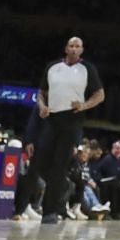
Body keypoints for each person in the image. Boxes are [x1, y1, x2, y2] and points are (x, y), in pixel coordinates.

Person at [29, 37, 105, 223]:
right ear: (65, 48)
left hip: (72, 119)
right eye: (71, 45)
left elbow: (100, 94)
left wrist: (84, 105)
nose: (73, 49)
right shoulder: (53, 66)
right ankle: (32, 205)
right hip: (51, 117)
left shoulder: (88, 69)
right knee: (40, 162)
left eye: (77, 46)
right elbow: (41, 92)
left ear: (82, 50)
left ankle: (50, 212)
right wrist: (41, 106)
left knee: (60, 167)